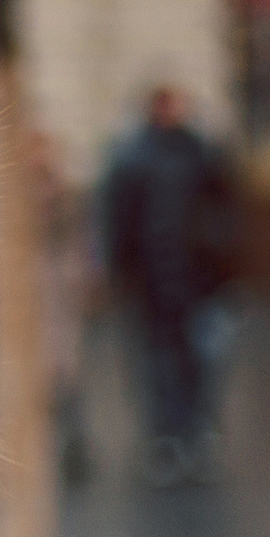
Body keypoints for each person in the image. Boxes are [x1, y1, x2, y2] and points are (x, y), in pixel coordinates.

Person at [97, 85, 238, 486]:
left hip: (196, 280)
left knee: (198, 358)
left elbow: (224, 208)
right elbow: (119, 220)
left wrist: (220, 259)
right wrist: (121, 270)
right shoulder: (133, 158)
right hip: (154, 284)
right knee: (158, 362)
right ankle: (167, 435)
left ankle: (192, 430)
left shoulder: (201, 152)